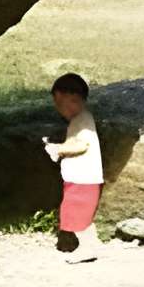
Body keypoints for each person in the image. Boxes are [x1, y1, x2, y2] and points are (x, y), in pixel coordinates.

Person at [42, 72, 104, 264]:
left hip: (82, 179)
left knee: (76, 214)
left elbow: (81, 145)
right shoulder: (80, 120)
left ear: (75, 100)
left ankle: (86, 248)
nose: (59, 109)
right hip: (81, 178)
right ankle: (92, 243)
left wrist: (58, 149)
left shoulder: (83, 121)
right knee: (81, 214)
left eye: (61, 104)